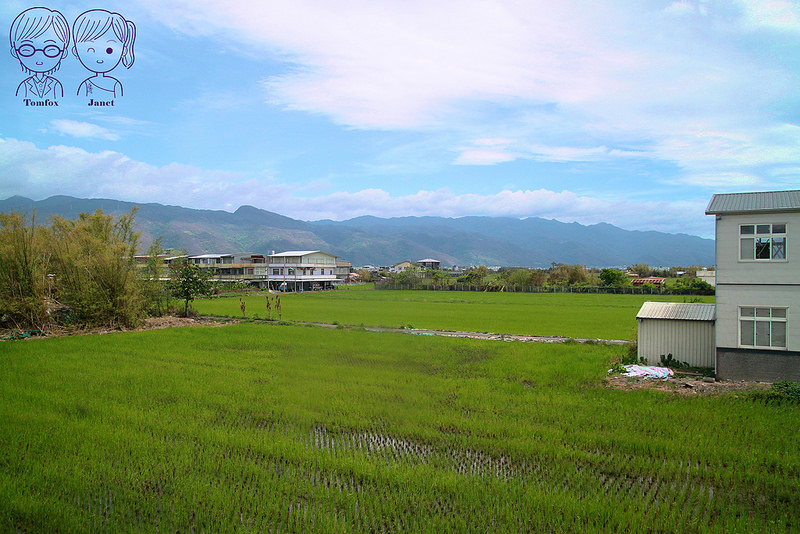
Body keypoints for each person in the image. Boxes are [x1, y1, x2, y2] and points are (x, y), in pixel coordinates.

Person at [72, 9, 135, 98]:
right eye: (90, 50)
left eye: (109, 50)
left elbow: (121, 102)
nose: (99, 59)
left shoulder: (115, 85)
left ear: (123, 51)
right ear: (75, 51)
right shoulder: (86, 85)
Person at [10, 7, 70, 99]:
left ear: (64, 52)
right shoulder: (24, 86)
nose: (39, 59)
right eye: (27, 50)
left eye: (51, 50)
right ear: (15, 52)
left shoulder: (56, 85)